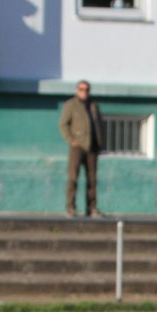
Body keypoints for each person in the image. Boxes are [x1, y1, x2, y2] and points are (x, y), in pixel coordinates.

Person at [58, 80, 104, 217]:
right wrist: (71, 140)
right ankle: (71, 207)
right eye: (81, 89)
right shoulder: (71, 105)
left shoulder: (94, 105)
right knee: (73, 177)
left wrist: (100, 142)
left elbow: (99, 124)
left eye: (87, 89)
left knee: (92, 179)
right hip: (78, 146)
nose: (84, 92)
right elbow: (63, 124)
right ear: (77, 90)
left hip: (92, 147)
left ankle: (92, 208)